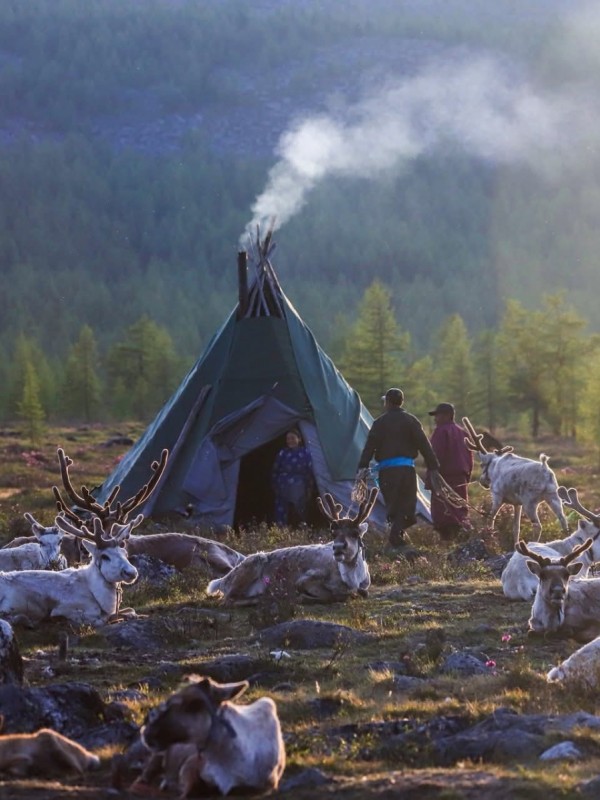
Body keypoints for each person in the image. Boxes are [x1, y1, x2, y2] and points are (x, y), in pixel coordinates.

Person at [357, 388, 440, 556]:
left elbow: (369, 446)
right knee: (407, 507)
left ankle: (396, 538)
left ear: (387, 402)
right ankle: (397, 539)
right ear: (401, 402)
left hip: (387, 473)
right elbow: (424, 445)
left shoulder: (380, 423)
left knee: (394, 507)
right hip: (406, 471)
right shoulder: (411, 421)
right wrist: (433, 465)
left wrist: (362, 466)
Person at [424, 402, 474, 542]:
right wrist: (467, 477)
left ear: (447, 416)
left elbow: (434, 457)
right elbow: (470, 458)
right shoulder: (463, 432)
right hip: (461, 479)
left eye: (438, 415)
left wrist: (430, 480)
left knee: (443, 514)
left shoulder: (441, 432)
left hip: (444, 479)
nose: (435, 419)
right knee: (459, 511)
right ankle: (461, 541)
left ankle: (447, 543)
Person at [271, 429, 314, 527]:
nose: (290, 441)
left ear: (299, 439)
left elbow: (309, 471)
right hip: (283, 486)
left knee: (299, 508)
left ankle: (300, 531)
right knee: (281, 509)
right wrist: (275, 484)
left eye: (292, 438)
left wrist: (309, 487)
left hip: (299, 487)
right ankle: (280, 531)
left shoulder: (305, 453)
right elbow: (275, 469)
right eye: (288, 439)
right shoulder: (282, 453)